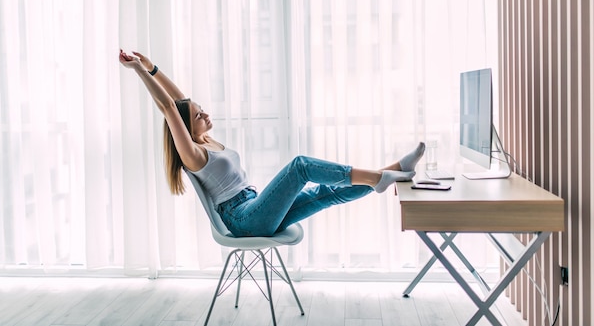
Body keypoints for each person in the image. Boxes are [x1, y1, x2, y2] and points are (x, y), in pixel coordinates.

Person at [119, 50, 425, 237]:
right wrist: (137, 71)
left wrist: (153, 67)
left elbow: (180, 101)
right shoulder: (193, 154)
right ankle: (378, 178)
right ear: (187, 127)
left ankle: (395, 169)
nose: (206, 113)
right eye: (200, 115)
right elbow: (170, 108)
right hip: (244, 220)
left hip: (254, 208)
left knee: (326, 192)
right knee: (300, 167)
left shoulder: (204, 139)